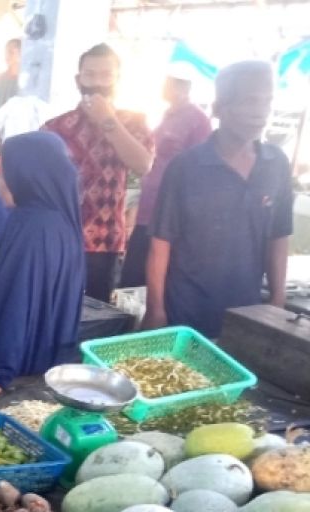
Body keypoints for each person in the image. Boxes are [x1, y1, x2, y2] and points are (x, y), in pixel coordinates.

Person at [143, 61, 292, 337]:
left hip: (246, 314)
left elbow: (278, 237)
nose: (260, 112)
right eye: (249, 101)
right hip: (185, 313)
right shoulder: (186, 167)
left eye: (266, 102)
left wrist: (277, 300)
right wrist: (156, 310)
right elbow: (161, 243)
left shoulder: (276, 164)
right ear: (219, 108)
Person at [0, 132, 86, 404]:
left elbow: (18, 304)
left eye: (3, 171)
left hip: (15, 372)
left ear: (26, 175)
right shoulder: (55, 219)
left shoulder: (34, 228)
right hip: (34, 362)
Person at [43, 43, 154, 302]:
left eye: (106, 75)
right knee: (53, 308)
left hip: (105, 243)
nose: (97, 83)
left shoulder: (134, 122)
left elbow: (142, 165)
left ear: (118, 80)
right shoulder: (55, 127)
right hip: (60, 239)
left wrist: (108, 120)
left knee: (97, 317)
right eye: (90, 75)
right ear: (78, 80)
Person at [119, 65, 212, 287]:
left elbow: (200, 172)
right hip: (146, 212)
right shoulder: (167, 116)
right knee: (131, 281)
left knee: (153, 282)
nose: (163, 88)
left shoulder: (197, 120)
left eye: (167, 83)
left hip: (169, 218)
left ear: (181, 87)